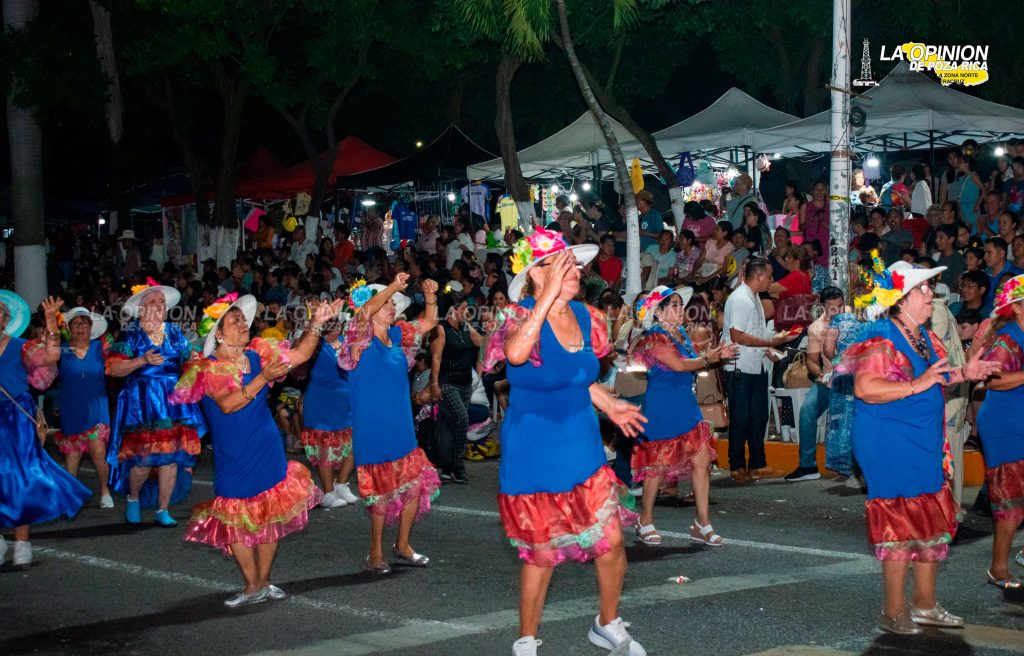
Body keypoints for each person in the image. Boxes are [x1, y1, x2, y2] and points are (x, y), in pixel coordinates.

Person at [483, 228, 648, 656]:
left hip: (582, 444)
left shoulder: (587, 316)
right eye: (561, 264)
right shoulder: (518, 317)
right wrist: (545, 298)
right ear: (536, 274)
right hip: (534, 450)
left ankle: (607, 623)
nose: (574, 270)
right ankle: (526, 639)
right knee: (541, 554)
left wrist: (609, 405)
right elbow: (517, 356)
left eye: (573, 263)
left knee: (610, 542)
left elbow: (577, 376)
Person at [840, 258, 998, 634]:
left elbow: (937, 377)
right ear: (901, 298)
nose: (932, 293)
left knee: (930, 517)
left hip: (923, 438)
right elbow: (866, 389)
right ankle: (893, 610)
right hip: (889, 441)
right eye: (923, 289)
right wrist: (917, 385)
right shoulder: (881, 335)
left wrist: (966, 373)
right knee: (900, 519)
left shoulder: (923, 335)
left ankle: (925, 604)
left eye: (930, 287)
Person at [170, 294, 339, 607]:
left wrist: (316, 323)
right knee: (232, 513)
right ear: (218, 334)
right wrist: (264, 377)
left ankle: (261, 582)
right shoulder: (207, 369)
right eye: (235, 321)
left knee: (271, 509)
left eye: (243, 319)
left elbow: (301, 354)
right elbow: (229, 404)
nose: (243, 324)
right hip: (234, 450)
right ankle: (251, 584)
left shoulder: (259, 353)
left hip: (266, 443)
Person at [338, 274, 441, 575]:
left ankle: (403, 544)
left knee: (413, 485)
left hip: (401, 425)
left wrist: (430, 294)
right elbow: (365, 313)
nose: (392, 308)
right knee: (381, 494)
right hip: (373, 428)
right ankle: (375, 552)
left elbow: (431, 321)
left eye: (394, 304)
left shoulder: (398, 336)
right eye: (388, 304)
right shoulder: (359, 339)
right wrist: (393, 286)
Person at [630, 286, 737, 546]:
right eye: (674, 306)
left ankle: (703, 522)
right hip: (662, 407)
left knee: (702, 461)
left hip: (685, 405)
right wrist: (709, 358)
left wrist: (712, 356)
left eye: (680, 304)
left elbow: (689, 364)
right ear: (659, 312)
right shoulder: (654, 338)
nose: (680, 310)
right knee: (657, 466)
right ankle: (645, 520)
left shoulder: (680, 336)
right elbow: (678, 366)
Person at [0, 293, 90, 567]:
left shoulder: (20, 347)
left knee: (21, 478)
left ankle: (22, 542)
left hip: (15, 418)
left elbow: (51, 355)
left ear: (6, 320)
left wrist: (51, 321)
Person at [107, 279, 207, 526]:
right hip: (142, 402)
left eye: (162, 301)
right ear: (141, 308)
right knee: (143, 458)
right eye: (153, 301)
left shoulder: (175, 332)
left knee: (171, 457)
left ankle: (163, 509)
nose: (159, 304)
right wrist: (142, 361)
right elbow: (113, 369)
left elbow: (189, 363)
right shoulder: (132, 334)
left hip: (173, 402)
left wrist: (194, 361)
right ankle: (133, 499)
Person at [721, 258, 796, 484]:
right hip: (739, 365)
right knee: (741, 417)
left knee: (759, 417)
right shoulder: (741, 299)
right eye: (770, 276)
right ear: (759, 276)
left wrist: (770, 347)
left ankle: (757, 464)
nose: (772, 281)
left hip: (755, 364)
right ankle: (736, 466)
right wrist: (769, 342)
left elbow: (755, 332)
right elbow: (737, 336)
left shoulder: (753, 297)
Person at [974, 275, 1024, 589]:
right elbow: (992, 380)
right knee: (1011, 503)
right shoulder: (1008, 338)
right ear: (1018, 307)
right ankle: (998, 568)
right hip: (1005, 425)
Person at [786, 287, 845, 482]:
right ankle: (807, 465)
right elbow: (811, 360)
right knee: (807, 411)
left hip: (852, 381)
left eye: (840, 306)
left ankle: (858, 466)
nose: (837, 311)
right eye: (832, 307)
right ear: (823, 306)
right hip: (827, 381)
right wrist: (819, 374)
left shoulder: (854, 321)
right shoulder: (816, 327)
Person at [56, 307, 113, 507]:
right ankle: (70, 496)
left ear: (91, 327)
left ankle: (105, 491)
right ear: (69, 328)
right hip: (71, 406)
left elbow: (117, 363)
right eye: (76, 324)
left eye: (85, 323)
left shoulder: (101, 347)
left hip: (97, 405)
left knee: (98, 449)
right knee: (72, 454)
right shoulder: (60, 349)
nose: (81, 327)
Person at [300, 318, 358, 509]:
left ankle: (340, 484)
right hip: (321, 403)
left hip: (346, 403)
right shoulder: (316, 344)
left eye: (337, 321)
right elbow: (299, 349)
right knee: (325, 448)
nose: (335, 325)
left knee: (354, 445)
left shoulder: (348, 341)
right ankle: (328, 493)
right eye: (330, 321)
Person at [430, 282, 485, 484]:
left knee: (448, 426)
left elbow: (482, 343)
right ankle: (457, 466)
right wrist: (434, 385)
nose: (466, 311)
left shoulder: (465, 327)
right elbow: (435, 358)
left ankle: (443, 466)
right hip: (446, 382)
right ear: (452, 310)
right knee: (462, 419)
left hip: (465, 383)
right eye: (463, 308)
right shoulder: (441, 329)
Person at [803, 181, 830, 267]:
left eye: (822, 189)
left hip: (826, 244)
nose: (819, 192)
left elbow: (835, 229)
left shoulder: (831, 207)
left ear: (826, 192)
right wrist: (809, 221)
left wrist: (821, 221)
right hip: (811, 245)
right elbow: (801, 227)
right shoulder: (805, 206)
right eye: (816, 189)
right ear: (813, 191)